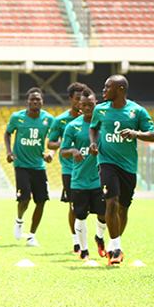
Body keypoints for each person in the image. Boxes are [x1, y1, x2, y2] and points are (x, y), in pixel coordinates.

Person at [88, 75, 154, 265]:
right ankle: (117, 248)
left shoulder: (137, 111)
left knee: (123, 207)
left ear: (120, 89)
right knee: (112, 202)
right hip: (106, 162)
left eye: (107, 87)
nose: (103, 90)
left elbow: (152, 135)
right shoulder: (100, 109)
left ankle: (111, 242)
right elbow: (93, 128)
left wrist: (136, 133)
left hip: (128, 165)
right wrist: (93, 143)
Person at [4, 87, 55, 247]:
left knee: (41, 201)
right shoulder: (17, 117)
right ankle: (19, 220)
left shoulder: (48, 119)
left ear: (42, 102)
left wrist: (51, 153)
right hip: (21, 165)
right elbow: (7, 133)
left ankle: (32, 236)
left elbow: (55, 139)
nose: (35, 102)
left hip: (39, 166)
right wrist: (9, 152)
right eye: (32, 99)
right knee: (24, 198)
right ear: (27, 101)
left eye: (38, 99)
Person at [59, 89, 106, 260]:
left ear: (96, 104)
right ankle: (84, 250)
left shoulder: (104, 124)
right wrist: (73, 151)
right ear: (79, 105)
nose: (87, 108)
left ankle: (99, 237)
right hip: (79, 179)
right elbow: (63, 150)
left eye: (90, 105)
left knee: (103, 214)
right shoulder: (73, 126)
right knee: (80, 215)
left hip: (99, 178)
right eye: (84, 105)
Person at [46, 82, 88, 253]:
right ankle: (76, 241)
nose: (80, 102)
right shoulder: (61, 120)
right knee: (74, 206)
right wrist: (65, 143)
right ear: (71, 99)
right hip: (70, 169)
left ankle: (98, 237)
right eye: (77, 98)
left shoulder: (92, 118)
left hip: (91, 168)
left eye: (82, 99)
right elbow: (50, 143)